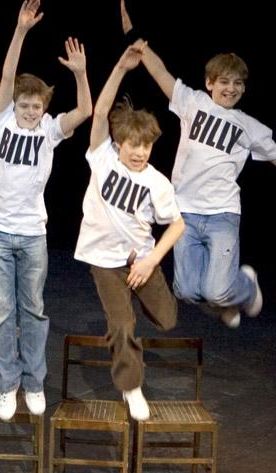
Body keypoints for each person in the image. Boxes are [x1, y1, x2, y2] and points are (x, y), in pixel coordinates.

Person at [0, 0, 92, 421]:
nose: (30, 110)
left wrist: (80, 73)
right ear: (15, 104)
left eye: (36, 106)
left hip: (33, 234)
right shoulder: (1, 120)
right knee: (3, 312)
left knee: (34, 311)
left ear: (43, 108)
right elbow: (7, 75)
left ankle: (34, 382)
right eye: (24, 104)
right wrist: (20, 31)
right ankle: (7, 385)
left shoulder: (51, 132)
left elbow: (87, 111)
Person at [122, 0, 276, 328]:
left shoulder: (248, 125)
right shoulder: (192, 102)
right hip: (185, 214)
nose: (230, 89)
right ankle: (224, 301)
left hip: (222, 213)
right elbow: (160, 71)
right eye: (224, 82)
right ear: (210, 83)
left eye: (237, 84)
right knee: (187, 291)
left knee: (218, 290)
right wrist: (134, 37)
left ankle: (245, 288)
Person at [74, 42, 185, 421]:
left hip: (141, 260)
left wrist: (153, 258)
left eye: (147, 147)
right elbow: (102, 110)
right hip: (105, 263)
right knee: (121, 325)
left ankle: (145, 298)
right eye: (133, 146)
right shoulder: (102, 158)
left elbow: (178, 224)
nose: (139, 153)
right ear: (119, 144)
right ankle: (131, 386)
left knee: (168, 319)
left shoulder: (158, 182)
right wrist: (120, 66)